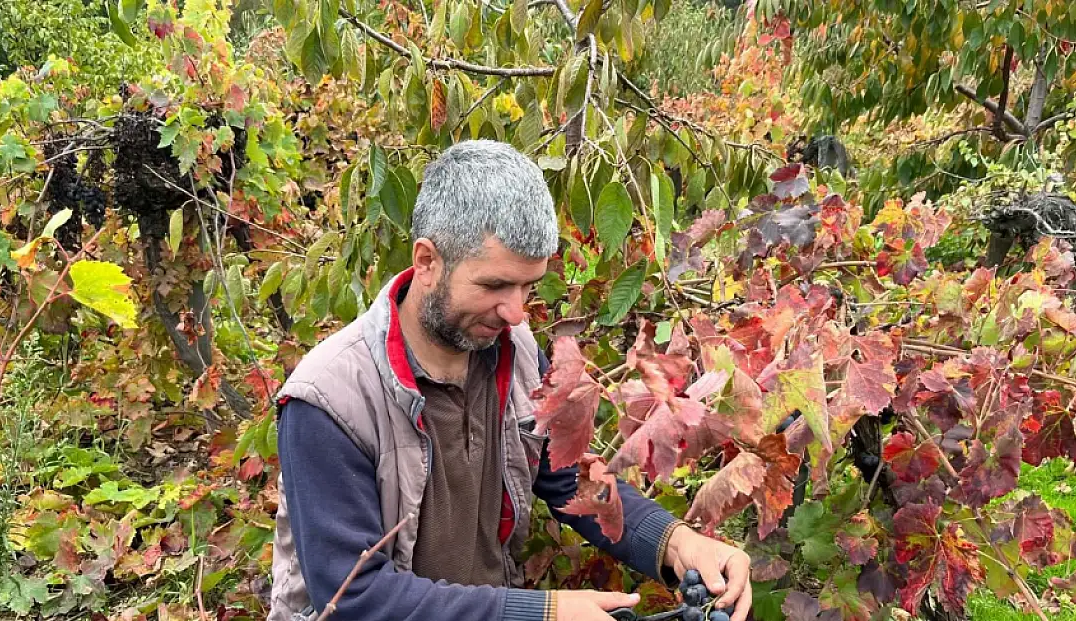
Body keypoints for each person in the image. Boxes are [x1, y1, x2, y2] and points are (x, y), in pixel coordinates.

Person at [268, 140, 752, 621]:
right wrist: (539, 613)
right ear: (428, 261)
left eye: (528, 286)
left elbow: (570, 481)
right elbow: (355, 599)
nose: (517, 312)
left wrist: (676, 542)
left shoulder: (514, 354)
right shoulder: (329, 400)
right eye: (495, 285)